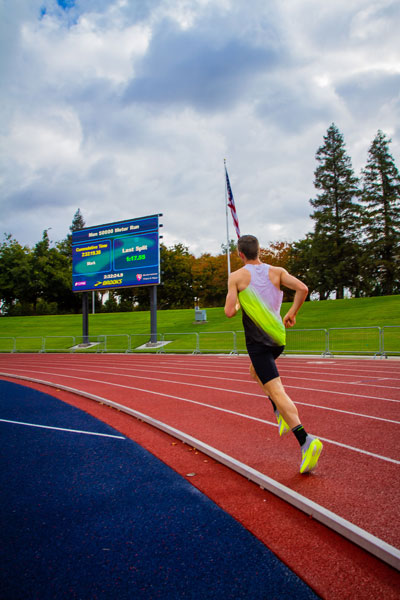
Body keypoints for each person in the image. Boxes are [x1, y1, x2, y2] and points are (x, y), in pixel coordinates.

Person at [224, 234, 323, 473]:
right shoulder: (277, 271)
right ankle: (278, 409)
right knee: (254, 371)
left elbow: (229, 311)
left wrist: (237, 301)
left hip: (258, 342)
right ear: (259, 251)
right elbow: (302, 288)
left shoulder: (236, 277)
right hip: (278, 339)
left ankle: (305, 440)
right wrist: (292, 313)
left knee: (277, 389)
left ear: (240, 254)